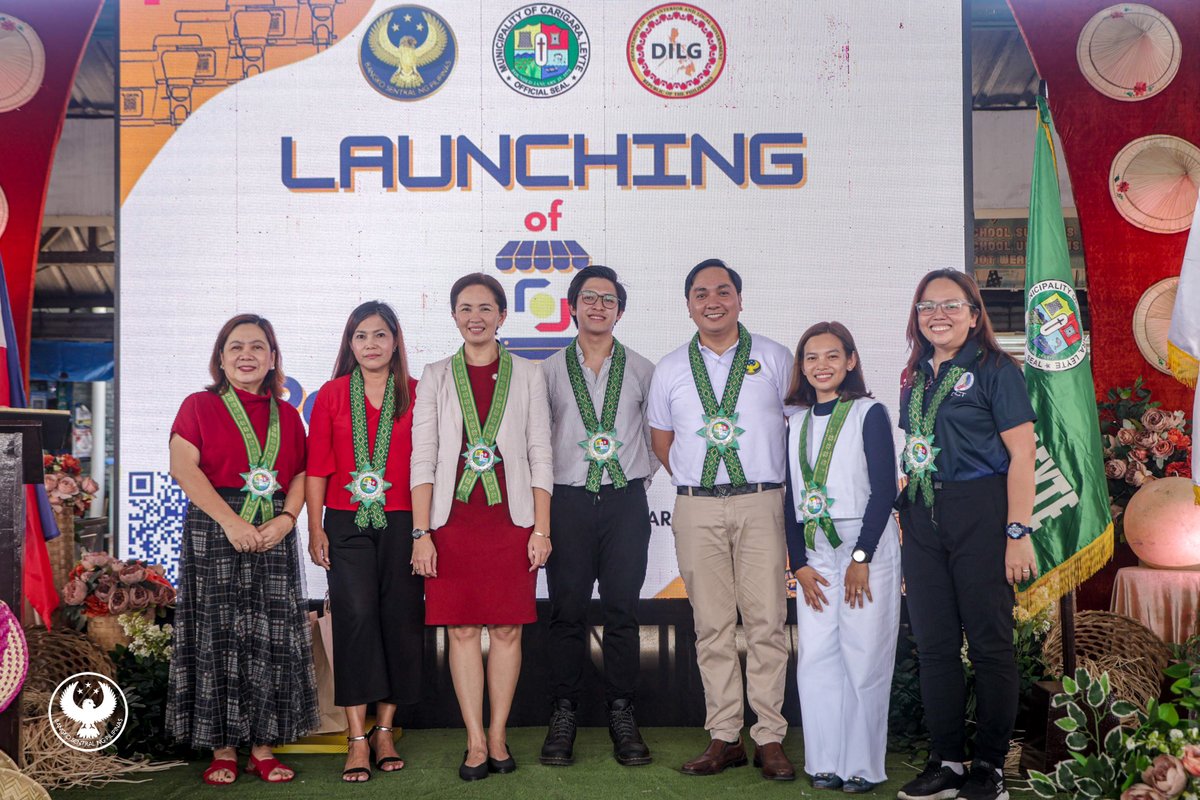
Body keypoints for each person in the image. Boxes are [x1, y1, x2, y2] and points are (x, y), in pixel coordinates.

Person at [647, 258, 796, 781]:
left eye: (723, 291)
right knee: (711, 625)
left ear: (739, 299)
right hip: (697, 505)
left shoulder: (775, 358)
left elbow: (797, 430)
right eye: (701, 294)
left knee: (766, 622)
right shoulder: (670, 368)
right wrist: (701, 479)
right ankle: (724, 735)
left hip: (761, 501)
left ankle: (769, 736)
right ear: (688, 305)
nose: (713, 301)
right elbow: (662, 442)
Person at [894, 269, 1037, 800]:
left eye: (951, 305)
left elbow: (1023, 455)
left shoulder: (997, 369)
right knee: (933, 647)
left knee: (989, 646)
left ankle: (989, 769)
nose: (938, 315)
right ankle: (947, 763)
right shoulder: (914, 376)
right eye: (927, 306)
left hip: (982, 509)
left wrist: (1017, 532)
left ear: (975, 315)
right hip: (924, 515)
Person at [409, 273, 553, 782]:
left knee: (509, 629)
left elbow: (540, 454)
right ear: (453, 316)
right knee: (463, 629)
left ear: (502, 315)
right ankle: (473, 739)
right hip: (452, 523)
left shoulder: (529, 374)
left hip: (511, 521)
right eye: (466, 308)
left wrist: (541, 530)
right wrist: (421, 533)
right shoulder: (435, 375)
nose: (476, 317)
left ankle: (498, 734)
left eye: (486, 308)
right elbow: (423, 457)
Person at [166, 314, 317, 785]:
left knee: (271, 635)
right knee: (218, 632)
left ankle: (264, 748)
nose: (246, 355)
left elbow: (300, 474)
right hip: (215, 525)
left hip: (273, 528)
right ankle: (223, 748)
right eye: (236, 347)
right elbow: (183, 468)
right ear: (221, 357)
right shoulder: (198, 405)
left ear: (272, 359)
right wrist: (230, 522)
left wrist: (287, 519)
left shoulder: (288, 416)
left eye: (257, 346)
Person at [538, 265, 658, 768]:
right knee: (566, 612)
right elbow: (538, 441)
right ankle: (563, 713)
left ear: (620, 311)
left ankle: (622, 713)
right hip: (566, 502)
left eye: (608, 300)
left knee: (622, 612)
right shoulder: (546, 370)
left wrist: (630, 483)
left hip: (623, 503)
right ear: (572, 307)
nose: (598, 306)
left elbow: (655, 436)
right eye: (589, 297)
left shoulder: (643, 369)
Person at [305, 301, 423, 782]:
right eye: (361, 336)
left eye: (379, 335)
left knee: (399, 619)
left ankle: (385, 731)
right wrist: (315, 528)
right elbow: (317, 467)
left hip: (404, 522)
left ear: (395, 341)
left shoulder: (417, 392)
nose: (370, 344)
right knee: (355, 618)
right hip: (345, 521)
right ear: (349, 344)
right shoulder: (331, 395)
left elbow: (428, 465)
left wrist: (425, 532)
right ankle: (357, 736)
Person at [783, 322, 900, 794]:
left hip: (863, 549)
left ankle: (863, 765)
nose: (822, 365)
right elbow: (790, 498)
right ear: (802, 365)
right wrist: (798, 563)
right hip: (815, 554)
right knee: (816, 658)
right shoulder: (793, 423)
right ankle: (825, 761)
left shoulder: (869, 412)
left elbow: (885, 490)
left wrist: (861, 556)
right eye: (811, 357)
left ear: (850, 361)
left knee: (864, 654)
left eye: (832, 355)